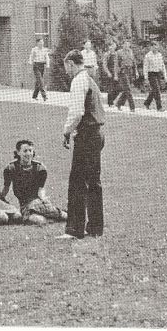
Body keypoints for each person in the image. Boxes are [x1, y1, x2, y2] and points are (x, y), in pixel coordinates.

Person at [59, 50, 105, 240]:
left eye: (66, 67)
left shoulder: (78, 81)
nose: (66, 72)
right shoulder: (89, 79)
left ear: (70, 63)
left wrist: (66, 131)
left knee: (77, 182)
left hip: (86, 135)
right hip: (97, 133)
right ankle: (95, 227)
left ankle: (75, 229)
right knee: (93, 182)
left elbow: (77, 112)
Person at [2, 139, 68, 225]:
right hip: (25, 205)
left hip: (38, 201)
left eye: (30, 151)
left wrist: (43, 198)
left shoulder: (40, 168)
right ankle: (54, 217)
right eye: (25, 151)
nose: (28, 154)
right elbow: (6, 188)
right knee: (39, 221)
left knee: (63, 216)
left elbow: (41, 189)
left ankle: (63, 214)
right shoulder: (11, 168)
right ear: (18, 152)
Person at [142, 42, 167, 111]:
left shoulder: (159, 55)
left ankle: (147, 103)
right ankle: (159, 107)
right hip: (151, 74)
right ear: (151, 47)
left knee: (154, 90)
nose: (155, 48)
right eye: (153, 47)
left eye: (156, 47)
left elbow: (163, 66)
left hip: (158, 73)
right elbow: (145, 67)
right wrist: (146, 78)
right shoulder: (148, 56)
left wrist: (165, 77)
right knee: (157, 90)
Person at [114, 38, 138, 112]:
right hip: (123, 72)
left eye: (128, 44)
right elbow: (116, 65)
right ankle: (132, 107)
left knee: (126, 90)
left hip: (130, 71)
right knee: (128, 89)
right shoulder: (118, 52)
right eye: (125, 44)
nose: (126, 45)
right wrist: (116, 75)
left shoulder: (131, 51)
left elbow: (134, 63)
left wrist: (136, 71)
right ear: (122, 45)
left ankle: (118, 103)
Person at [28, 37, 50, 101]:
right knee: (40, 80)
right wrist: (30, 66)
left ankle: (34, 96)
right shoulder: (34, 50)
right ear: (37, 43)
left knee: (38, 82)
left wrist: (47, 66)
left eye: (42, 42)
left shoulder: (45, 50)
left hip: (42, 65)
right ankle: (44, 96)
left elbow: (47, 58)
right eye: (40, 42)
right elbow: (31, 58)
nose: (42, 43)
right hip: (36, 66)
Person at [102, 39, 120, 108]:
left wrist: (116, 74)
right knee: (110, 88)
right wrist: (108, 72)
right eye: (111, 46)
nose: (112, 47)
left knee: (119, 88)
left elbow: (117, 65)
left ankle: (112, 100)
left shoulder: (116, 54)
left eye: (114, 46)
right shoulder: (107, 54)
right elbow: (104, 65)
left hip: (115, 73)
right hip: (109, 73)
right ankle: (110, 103)